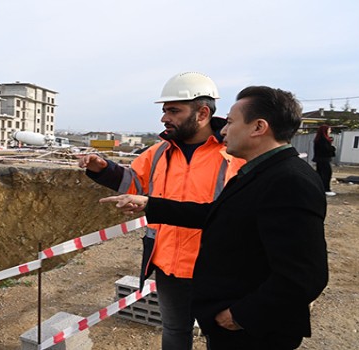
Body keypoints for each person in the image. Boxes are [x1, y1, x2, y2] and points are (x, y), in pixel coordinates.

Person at [101, 86, 329, 349]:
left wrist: (240, 316)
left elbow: (305, 276)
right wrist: (151, 204)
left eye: (231, 123)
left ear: (258, 127)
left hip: (255, 334)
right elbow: (216, 214)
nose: (223, 130)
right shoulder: (260, 172)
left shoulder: (289, 181)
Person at [78, 71, 244, 349]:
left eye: (173, 110)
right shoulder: (158, 152)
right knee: (175, 331)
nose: (164, 118)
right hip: (169, 265)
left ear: (202, 113)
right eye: (165, 110)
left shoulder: (233, 154)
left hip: (215, 267)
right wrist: (102, 168)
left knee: (221, 336)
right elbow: (132, 182)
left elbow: (240, 212)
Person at [312, 124, 337, 196]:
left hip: (320, 159)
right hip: (323, 159)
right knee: (326, 174)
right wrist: (333, 148)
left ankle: (319, 189)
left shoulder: (319, 139)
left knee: (320, 174)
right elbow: (326, 149)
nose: (330, 131)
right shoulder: (323, 140)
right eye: (329, 130)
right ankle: (326, 189)